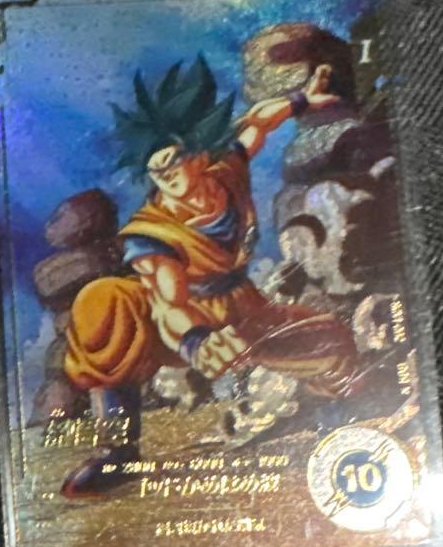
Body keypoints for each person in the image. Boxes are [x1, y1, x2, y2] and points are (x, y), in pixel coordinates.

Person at [61, 56, 362, 497]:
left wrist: (302, 100)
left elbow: (258, 122)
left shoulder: (227, 173)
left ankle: (340, 410)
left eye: (173, 161)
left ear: (198, 155)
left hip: (241, 306)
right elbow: (167, 303)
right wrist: (196, 341)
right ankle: (117, 452)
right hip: (175, 323)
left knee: (332, 340)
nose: (167, 175)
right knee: (104, 299)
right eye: (157, 170)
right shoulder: (152, 233)